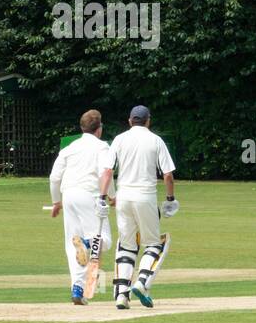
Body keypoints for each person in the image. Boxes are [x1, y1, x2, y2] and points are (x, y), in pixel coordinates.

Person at [98, 105, 178, 309]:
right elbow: (167, 175)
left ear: (130, 121)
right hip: (146, 197)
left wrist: (101, 197)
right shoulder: (155, 140)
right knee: (154, 244)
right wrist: (170, 198)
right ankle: (142, 282)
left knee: (126, 245)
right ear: (148, 120)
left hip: (123, 197)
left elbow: (107, 172)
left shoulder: (119, 139)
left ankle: (121, 295)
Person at [47, 109, 112, 304]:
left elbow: (54, 177)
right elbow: (105, 173)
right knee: (103, 240)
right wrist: (112, 196)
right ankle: (85, 243)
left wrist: (56, 201)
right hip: (89, 195)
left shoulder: (69, 148)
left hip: (69, 196)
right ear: (99, 129)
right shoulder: (102, 147)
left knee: (70, 244)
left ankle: (77, 289)